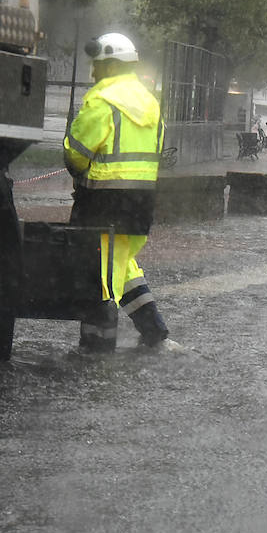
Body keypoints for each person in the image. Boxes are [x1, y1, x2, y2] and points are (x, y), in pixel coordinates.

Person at [63, 32, 169, 351]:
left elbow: (77, 154)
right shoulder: (150, 102)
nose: (93, 72)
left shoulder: (102, 100)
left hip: (102, 202)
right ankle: (153, 330)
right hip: (140, 203)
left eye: (97, 65)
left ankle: (97, 350)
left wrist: (76, 165)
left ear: (110, 66)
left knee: (98, 276)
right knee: (120, 266)